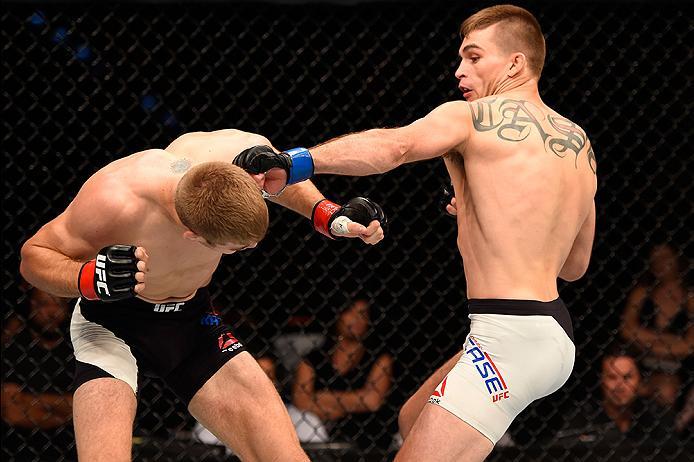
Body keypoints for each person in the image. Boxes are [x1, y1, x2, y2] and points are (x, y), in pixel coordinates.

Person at [233, 5, 595, 460]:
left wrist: (294, 162)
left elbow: (395, 146)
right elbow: (576, 266)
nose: (459, 69)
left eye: (474, 57)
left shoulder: (471, 117)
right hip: (552, 329)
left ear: (515, 63)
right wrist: (489, 217)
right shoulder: (579, 143)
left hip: (511, 334)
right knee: (412, 419)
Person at [19, 128, 386, 461]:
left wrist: (327, 214)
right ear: (193, 236)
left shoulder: (237, 154)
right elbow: (34, 258)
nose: (245, 251)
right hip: (111, 326)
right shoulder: (116, 198)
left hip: (192, 322)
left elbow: (281, 174)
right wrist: (87, 278)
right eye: (234, 249)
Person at [291, 299, 393, 449]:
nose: (357, 319)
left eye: (363, 314)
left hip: (367, 435)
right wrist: (353, 401)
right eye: (350, 312)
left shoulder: (379, 357)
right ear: (338, 315)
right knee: (303, 420)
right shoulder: (314, 358)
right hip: (320, 431)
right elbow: (300, 400)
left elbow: (372, 401)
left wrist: (321, 397)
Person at [2, 287, 76, 461]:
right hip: (18, 449)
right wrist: (63, 413)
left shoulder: (75, 351)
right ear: (31, 306)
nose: (51, 312)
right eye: (44, 304)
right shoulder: (15, 349)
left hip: (67, 448)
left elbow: (84, 406)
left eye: (58, 305)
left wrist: (30, 401)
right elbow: (14, 413)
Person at [556, 345, 677, 445]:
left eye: (627, 377)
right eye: (612, 377)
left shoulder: (656, 415)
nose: (620, 386)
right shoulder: (581, 418)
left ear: (640, 380)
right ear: (601, 381)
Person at [620, 243, 693, 407]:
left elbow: (688, 346)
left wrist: (646, 341)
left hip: (678, 370)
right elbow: (626, 330)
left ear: (677, 259)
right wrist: (670, 342)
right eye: (655, 259)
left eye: (665, 257)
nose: (660, 263)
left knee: (666, 390)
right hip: (638, 364)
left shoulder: (690, 298)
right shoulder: (642, 293)